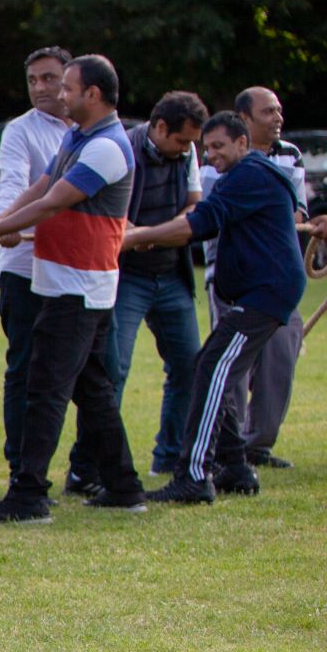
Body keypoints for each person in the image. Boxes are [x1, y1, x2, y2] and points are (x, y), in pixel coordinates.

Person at [0, 54, 146, 520]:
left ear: (93, 94)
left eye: (67, 87)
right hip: (71, 284)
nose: (58, 95)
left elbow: (54, 201)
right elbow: (45, 184)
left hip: (78, 288)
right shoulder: (78, 136)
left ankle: (29, 495)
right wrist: (0, 222)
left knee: (45, 389)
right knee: (93, 389)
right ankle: (124, 487)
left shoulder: (107, 147)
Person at [123, 110, 310, 503]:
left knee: (213, 367)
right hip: (261, 293)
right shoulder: (248, 174)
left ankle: (194, 475)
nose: (212, 156)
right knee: (212, 362)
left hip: (267, 294)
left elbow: (199, 222)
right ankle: (235, 467)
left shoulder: (250, 175)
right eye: (206, 149)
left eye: (219, 146)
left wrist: (136, 236)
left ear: (243, 143)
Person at [81, 91, 208, 479]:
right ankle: (93, 467)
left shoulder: (187, 155)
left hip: (171, 274)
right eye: (182, 140)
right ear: (159, 127)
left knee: (189, 367)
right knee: (114, 371)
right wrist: (145, 235)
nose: (187, 149)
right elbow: (110, 212)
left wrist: (151, 233)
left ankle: (169, 456)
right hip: (128, 277)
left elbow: (194, 206)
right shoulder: (123, 149)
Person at [201, 86, 309, 470]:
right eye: (268, 112)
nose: (278, 117)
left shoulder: (290, 155)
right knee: (230, 365)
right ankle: (227, 449)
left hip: (276, 278)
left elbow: (296, 214)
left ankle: (257, 444)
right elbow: (212, 217)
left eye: (279, 110)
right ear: (244, 121)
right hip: (230, 277)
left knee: (281, 356)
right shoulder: (215, 159)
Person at [0, 46, 76, 484]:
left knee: (89, 371)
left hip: (76, 269)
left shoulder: (89, 131)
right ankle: (23, 470)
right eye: (33, 81)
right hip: (24, 267)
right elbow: (13, 183)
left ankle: (84, 467)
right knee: (24, 369)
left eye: (50, 79)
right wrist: (3, 225)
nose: (40, 89)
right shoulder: (20, 131)